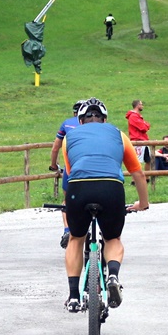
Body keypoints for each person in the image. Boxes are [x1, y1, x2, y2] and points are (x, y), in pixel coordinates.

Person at [61, 98, 149, 312]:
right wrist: (143, 203)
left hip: (79, 188)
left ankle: (73, 297)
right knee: (112, 238)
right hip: (111, 187)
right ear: (105, 120)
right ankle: (112, 276)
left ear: (80, 121)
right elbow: (137, 173)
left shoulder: (69, 137)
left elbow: (70, 173)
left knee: (76, 238)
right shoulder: (119, 134)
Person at [49, 99, 85, 249]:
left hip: (71, 169)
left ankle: (67, 230)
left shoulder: (67, 124)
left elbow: (55, 148)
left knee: (67, 201)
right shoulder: (98, 125)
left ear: (74, 113)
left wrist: (53, 165)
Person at [125, 99, 151, 168]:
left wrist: (146, 125)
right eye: (141, 104)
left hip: (143, 141)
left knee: (148, 160)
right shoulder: (133, 116)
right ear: (138, 105)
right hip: (138, 141)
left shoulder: (138, 116)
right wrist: (146, 124)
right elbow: (143, 128)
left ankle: (146, 175)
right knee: (137, 161)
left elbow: (145, 126)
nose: (142, 106)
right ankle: (137, 175)